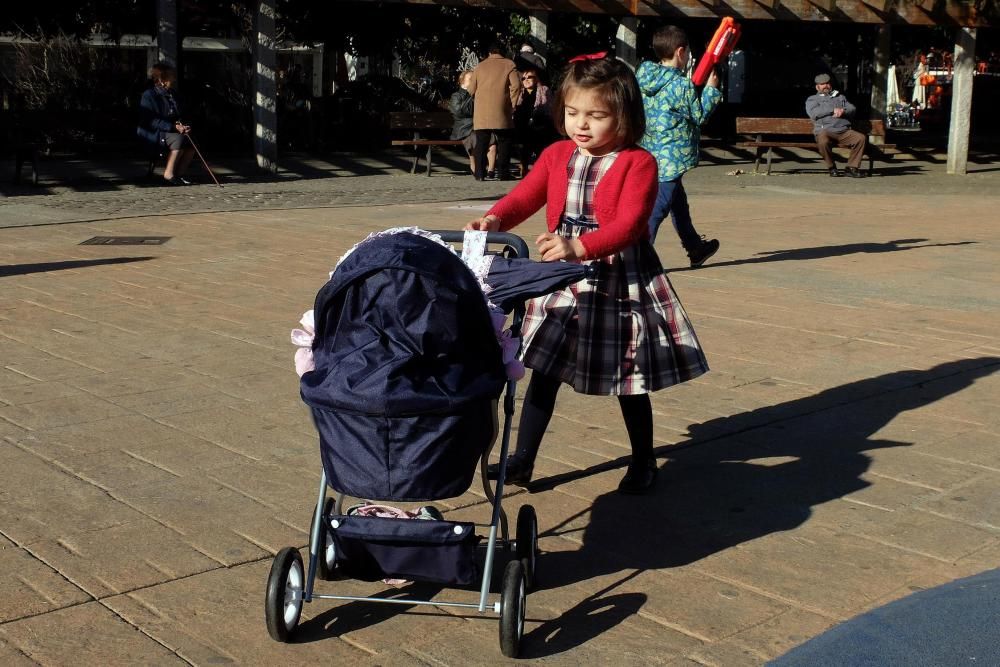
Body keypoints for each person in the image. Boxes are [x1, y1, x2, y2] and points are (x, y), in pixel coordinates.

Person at [466, 53, 709, 494]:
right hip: (561, 275)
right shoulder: (558, 153)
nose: (582, 124)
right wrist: (494, 219)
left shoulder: (639, 163)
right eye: (573, 112)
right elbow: (527, 195)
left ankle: (643, 460)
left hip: (618, 276)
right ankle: (522, 460)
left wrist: (579, 246)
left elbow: (632, 224)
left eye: (596, 116)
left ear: (625, 116)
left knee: (628, 376)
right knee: (544, 364)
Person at [637, 25, 722, 268]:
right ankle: (639, 256)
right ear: (681, 52)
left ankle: (695, 247)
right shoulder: (680, 85)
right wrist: (711, 90)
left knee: (677, 203)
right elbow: (699, 115)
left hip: (650, 150)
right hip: (673, 155)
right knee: (659, 206)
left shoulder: (644, 78)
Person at [468, 43, 521, 181]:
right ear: (502, 52)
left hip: (482, 112)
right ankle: (503, 173)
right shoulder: (509, 65)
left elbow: (470, 89)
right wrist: (512, 104)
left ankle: (479, 174)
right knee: (505, 141)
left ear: (489, 53)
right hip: (501, 110)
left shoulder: (479, 66)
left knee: (482, 142)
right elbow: (516, 86)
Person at [137, 62, 195, 186]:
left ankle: (180, 174)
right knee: (178, 139)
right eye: (171, 76)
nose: (173, 78)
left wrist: (184, 125)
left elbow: (181, 113)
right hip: (153, 132)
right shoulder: (149, 95)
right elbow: (150, 119)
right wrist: (173, 127)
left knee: (190, 141)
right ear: (162, 79)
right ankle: (169, 174)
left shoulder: (173, 94)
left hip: (171, 130)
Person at [806, 73, 867, 178]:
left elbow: (852, 108)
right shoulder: (812, 99)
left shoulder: (840, 97)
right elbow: (814, 113)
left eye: (828, 83)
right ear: (817, 86)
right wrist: (832, 110)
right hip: (825, 130)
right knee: (823, 141)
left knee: (860, 138)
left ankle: (851, 168)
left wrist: (843, 111)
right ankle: (831, 167)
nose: (826, 86)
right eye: (823, 84)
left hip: (843, 131)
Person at [449, 71, 496, 177]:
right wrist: (471, 95)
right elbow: (459, 112)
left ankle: (491, 170)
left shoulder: (479, 94)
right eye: (470, 79)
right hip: (464, 128)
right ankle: (475, 169)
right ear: (462, 81)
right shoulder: (456, 96)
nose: (473, 81)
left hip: (480, 125)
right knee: (475, 140)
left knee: (492, 140)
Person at [512, 67, 554, 176]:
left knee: (539, 148)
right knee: (523, 148)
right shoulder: (519, 92)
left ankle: (539, 171)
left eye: (530, 77)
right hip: (522, 124)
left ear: (536, 79)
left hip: (539, 124)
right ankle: (524, 169)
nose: (526, 80)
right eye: (523, 78)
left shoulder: (544, 90)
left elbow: (549, 108)